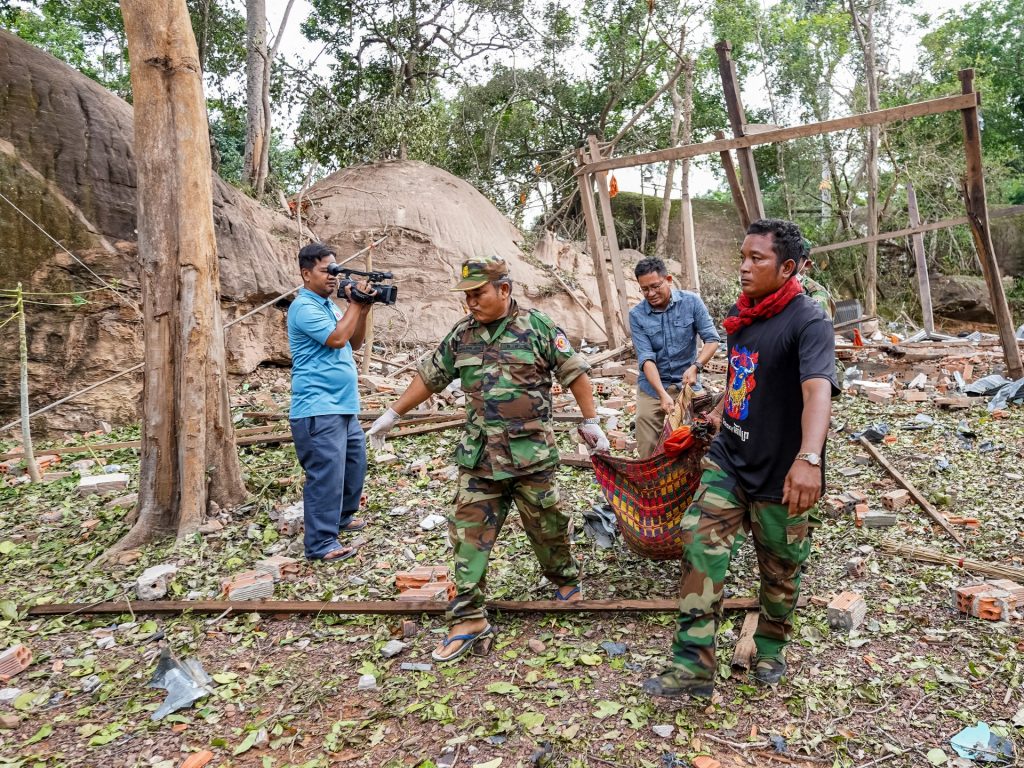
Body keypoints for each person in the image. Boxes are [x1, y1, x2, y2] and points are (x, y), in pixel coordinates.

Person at [367, 257, 609, 662]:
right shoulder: (462, 335)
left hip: (532, 455)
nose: (471, 303)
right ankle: (468, 616)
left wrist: (591, 422)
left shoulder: (538, 328)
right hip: (480, 458)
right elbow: (431, 376)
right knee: (467, 536)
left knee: (547, 526)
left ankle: (564, 578)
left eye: (478, 294)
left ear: (504, 289)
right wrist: (392, 415)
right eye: (467, 296)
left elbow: (575, 374)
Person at [644, 219, 839, 699]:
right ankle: (692, 668)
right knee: (698, 546)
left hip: (782, 471)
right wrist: (718, 413)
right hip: (730, 458)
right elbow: (744, 378)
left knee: (779, 570)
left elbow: (818, 390)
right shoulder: (742, 314)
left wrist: (809, 458)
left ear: (788, 267)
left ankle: (770, 647)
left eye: (758, 259)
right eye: (743, 257)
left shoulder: (808, 320)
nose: (744, 267)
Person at [288, 242, 372, 562]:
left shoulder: (328, 306)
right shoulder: (304, 307)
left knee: (353, 466)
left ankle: (342, 518)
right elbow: (336, 338)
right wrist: (355, 303)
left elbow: (353, 340)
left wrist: (362, 308)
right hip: (318, 407)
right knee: (326, 475)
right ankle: (321, 543)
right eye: (327, 270)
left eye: (336, 270)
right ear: (306, 274)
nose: (334, 277)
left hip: (343, 405)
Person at [629, 257, 721, 458]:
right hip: (652, 387)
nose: (651, 294)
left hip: (688, 383)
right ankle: (653, 484)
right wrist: (662, 394)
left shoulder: (692, 302)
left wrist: (696, 366)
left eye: (655, 286)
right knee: (646, 441)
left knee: (701, 436)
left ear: (668, 279)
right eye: (645, 289)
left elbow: (712, 339)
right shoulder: (636, 315)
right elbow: (646, 358)